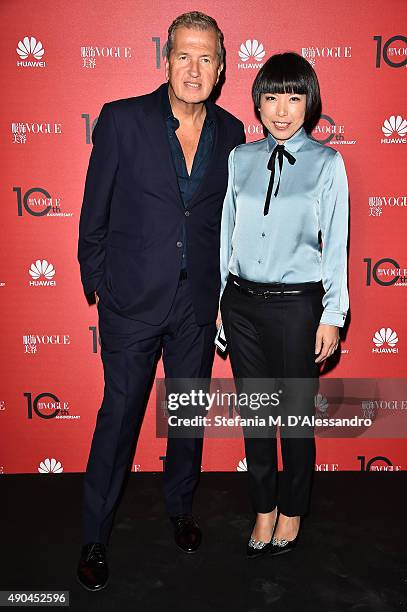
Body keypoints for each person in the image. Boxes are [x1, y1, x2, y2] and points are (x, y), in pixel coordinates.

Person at [77, 11, 245, 590]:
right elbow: (93, 209)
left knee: (187, 416)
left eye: (206, 58)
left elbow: (225, 221)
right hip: (130, 301)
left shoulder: (231, 132)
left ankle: (180, 508)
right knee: (118, 416)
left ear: (221, 70)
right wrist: (96, 279)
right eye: (184, 55)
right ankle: (94, 534)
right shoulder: (122, 120)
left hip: (197, 303)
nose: (193, 68)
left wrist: (224, 293)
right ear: (164, 59)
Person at [219, 52, 349, 558]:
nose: (281, 109)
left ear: (309, 102)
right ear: (258, 102)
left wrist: (332, 315)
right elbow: (227, 234)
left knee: (294, 417)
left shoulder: (327, 164)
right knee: (255, 417)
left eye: (293, 97)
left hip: (297, 307)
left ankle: (292, 510)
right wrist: (220, 303)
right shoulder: (240, 159)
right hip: (241, 303)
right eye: (271, 97)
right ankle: (263, 507)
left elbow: (335, 244)